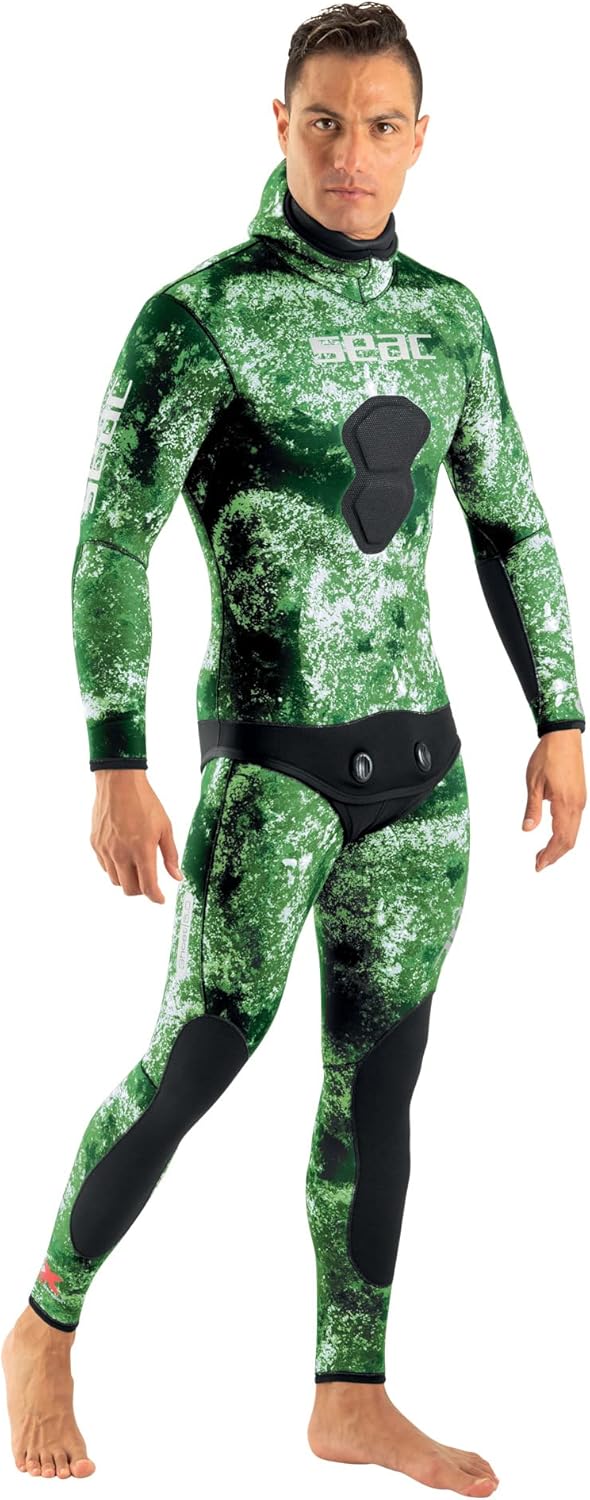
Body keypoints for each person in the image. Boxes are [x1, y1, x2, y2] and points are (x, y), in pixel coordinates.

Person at [2, 3, 586, 1490]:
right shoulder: (198, 318)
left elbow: (513, 522)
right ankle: (45, 1323)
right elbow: (109, 541)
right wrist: (116, 756)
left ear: (420, 140)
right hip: (271, 768)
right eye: (324, 122)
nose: (350, 154)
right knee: (197, 1053)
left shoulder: (450, 319)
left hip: (425, 773)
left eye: (381, 126)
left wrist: (562, 717)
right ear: (280, 124)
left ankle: (350, 1395)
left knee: (378, 1083)